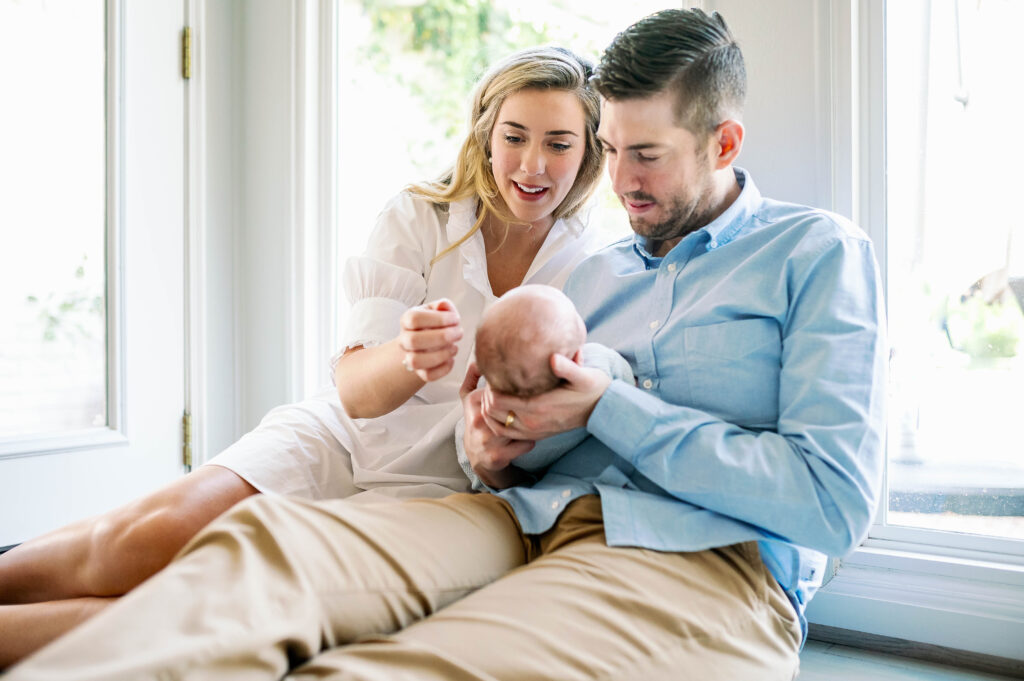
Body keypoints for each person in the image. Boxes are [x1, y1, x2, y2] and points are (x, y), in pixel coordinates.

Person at [8, 9, 888, 680]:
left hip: (703, 555)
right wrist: (494, 448)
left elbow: (835, 503)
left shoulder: (815, 253)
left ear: (724, 141)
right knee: (258, 554)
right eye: (612, 151)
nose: (619, 182)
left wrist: (611, 410)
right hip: (518, 517)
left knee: (405, 664)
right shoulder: (590, 273)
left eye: (645, 155)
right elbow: (509, 450)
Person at [0, 45, 607, 668]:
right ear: (485, 135)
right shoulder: (421, 216)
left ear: (589, 150)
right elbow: (355, 391)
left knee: (194, 606)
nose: (533, 164)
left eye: (559, 143)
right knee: (147, 538)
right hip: (342, 435)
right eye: (515, 137)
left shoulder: (595, 269)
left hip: (437, 490)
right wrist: (408, 355)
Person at [456, 283, 634, 490]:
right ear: (576, 359)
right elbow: (627, 384)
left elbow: (471, 452)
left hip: (516, 458)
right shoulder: (597, 362)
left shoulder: (488, 394)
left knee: (464, 429)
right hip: (576, 475)